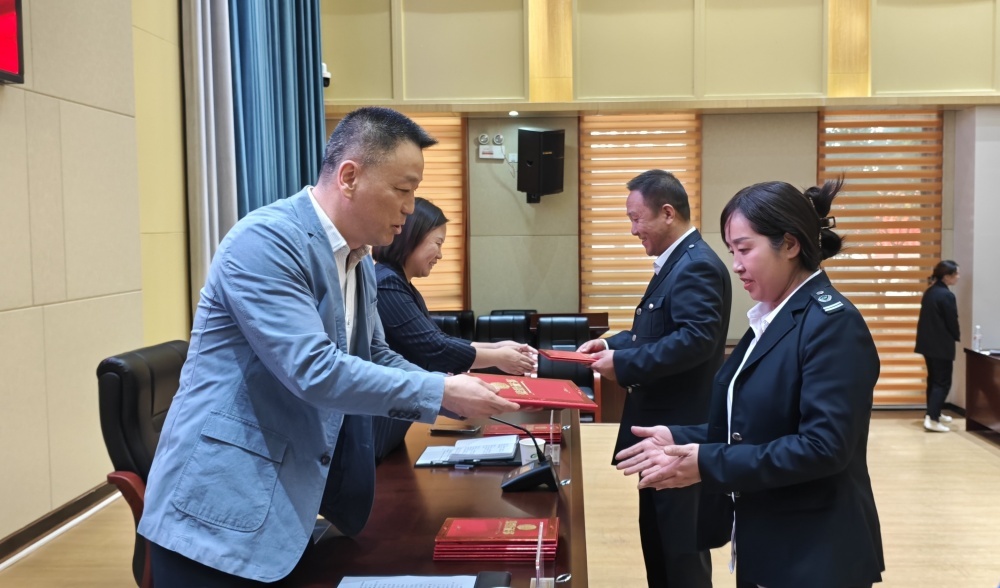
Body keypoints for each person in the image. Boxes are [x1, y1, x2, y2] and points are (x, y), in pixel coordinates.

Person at [137, 107, 521, 585]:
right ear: (349, 177)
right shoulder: (267, 241)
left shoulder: (359, 260)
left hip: (289, 505)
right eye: (403, 190)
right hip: (221, 510)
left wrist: (447, 389)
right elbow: (314, 370)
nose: (410, 208)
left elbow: (375, 355)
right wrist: (440, 392)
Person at [616, 180, 885, 588]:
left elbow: (823, 447)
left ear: (789, 245)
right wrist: (680, 437)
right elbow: (758, 424)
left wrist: (707, 463)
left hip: (815, 550)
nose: (736, 265)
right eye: (732, 252)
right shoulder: (772, 316)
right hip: (771, 536)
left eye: (744, 249)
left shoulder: (832, 324)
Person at [577, 169, 732, 588]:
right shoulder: (679, 262)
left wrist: (624, 365)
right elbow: (657, 332)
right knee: (660, 545)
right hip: (659, 431)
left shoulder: (696, 265)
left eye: (636, 218)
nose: (633, 230)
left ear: (667, 213)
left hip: (680, 431)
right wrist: (610, 345)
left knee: (681, 554)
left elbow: (695, 340)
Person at [369, 196, 536, 458]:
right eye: (437, 243)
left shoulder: (400, 283)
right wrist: (497, 357)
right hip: (378, 427)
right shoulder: (387, 283)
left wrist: (496, 348)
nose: (440, 254)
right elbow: (434, 347)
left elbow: (436, 338)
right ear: (411, 237)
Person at [915, 260, 961, 432]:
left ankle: (934, 412)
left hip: (928, 345)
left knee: (933, 380)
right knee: (942, 382)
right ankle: (932, 419)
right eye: (956, 274)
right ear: (947, 277)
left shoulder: (930, 291)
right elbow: (952, 320)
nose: (958, 277)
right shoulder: (946, 295)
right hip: (941, 345)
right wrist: (956, 335)